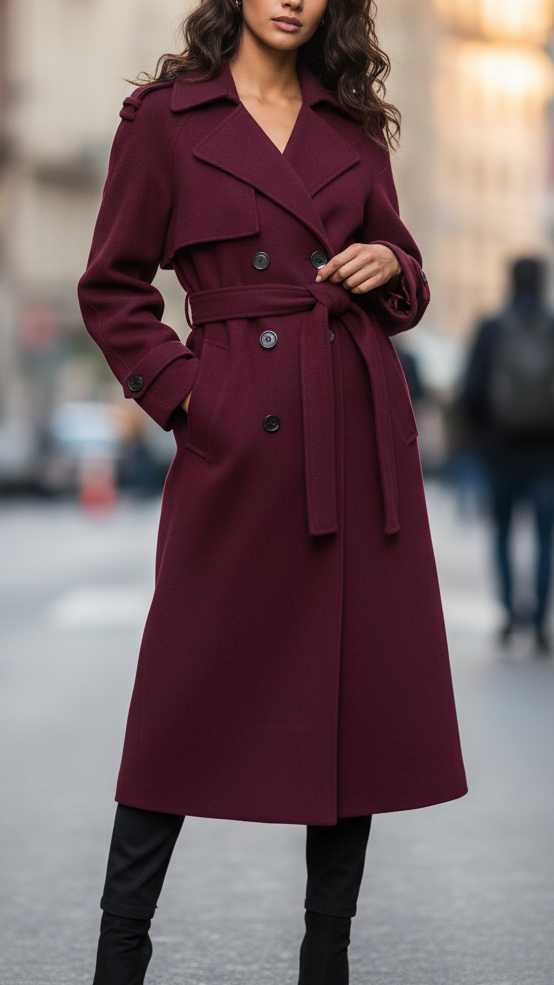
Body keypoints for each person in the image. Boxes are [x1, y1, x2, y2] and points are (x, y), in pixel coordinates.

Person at [78, 1, 467, 981]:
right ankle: (119, 954)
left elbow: (404, 279)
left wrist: (392, 265)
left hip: (353, 433)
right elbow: (112, 287)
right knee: (178, 693)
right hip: (238, 440)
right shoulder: (165, 119)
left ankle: (325, 958)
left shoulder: (351, 123)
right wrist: (190, 398)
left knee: (350, 706)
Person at [463, 258, 554, 652]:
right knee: (545, 538)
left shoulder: (491, 329)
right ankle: (539, 620)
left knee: (501, 532)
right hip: (546, 453)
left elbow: (471, 391)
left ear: (510, 283)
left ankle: (507, 614)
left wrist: (480, 436)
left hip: (500, 451)